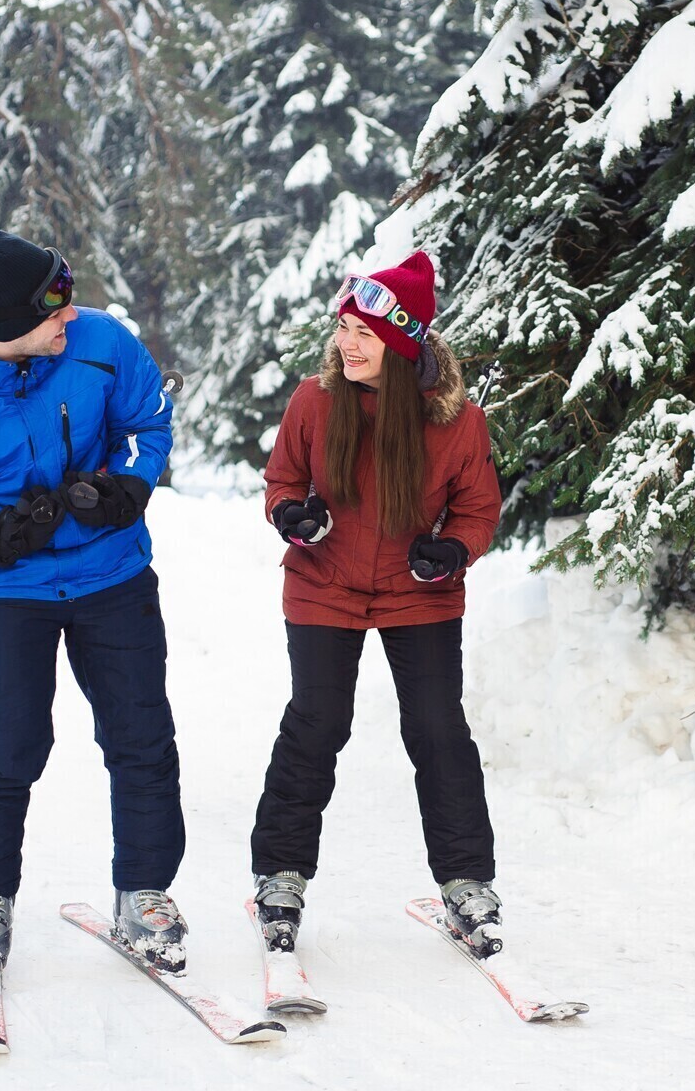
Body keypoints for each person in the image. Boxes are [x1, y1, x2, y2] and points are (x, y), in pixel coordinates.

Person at [0, 230, 187, 978]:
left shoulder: (102, 345)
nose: (71, 316)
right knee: (11, 740)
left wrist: (129, 487)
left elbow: (149, 426)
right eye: (52, 309)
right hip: (8, 588)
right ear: (2, 327)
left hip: (111, 573)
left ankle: (144, 893)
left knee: (141, 733)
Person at [249, 251, 504, 958]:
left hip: (416, 594)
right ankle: (280, 875)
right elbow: (282, 480)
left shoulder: (455, 421)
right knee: (317, 722)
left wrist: (452, 549)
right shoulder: (315, 401)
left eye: (364, 332)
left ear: (402, 341)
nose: (346, 343)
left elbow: (478, 510)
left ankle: (466, 884)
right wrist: (293, 515)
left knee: (436, 729)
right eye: (344, 327)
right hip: (323, 582)